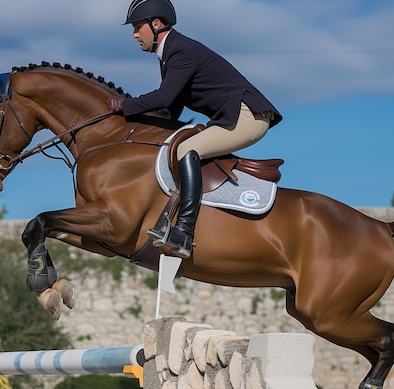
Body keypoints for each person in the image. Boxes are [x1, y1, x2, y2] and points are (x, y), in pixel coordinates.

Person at [107, 0, 282, 258]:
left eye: (137, 27)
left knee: (187, 148)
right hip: (234, 115)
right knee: (175, 145)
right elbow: (171, 110)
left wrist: (125, 105)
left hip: (247, 116)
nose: (134, 34)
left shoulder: (180, 51)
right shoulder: (170, 54)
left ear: (156, 25)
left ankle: (184, 231)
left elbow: (165, 97)